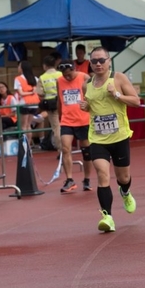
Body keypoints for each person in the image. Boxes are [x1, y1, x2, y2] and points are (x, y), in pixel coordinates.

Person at [79, 47, 140, 232]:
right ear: (90, 63)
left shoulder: (118, 78)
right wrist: (86, 106)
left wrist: (116, 94)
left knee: (124, 177)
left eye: (101, 60)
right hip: (98, 139)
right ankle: (107, 217)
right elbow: (94, 107)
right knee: (102, 174)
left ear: (109, 61)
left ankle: (125, 191)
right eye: (94, 61)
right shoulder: (87, 85)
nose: (98, 64)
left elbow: (136, 101)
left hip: (119, 137)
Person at [57, 60, 93, 193]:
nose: (67, 77)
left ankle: (87, 178)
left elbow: (93, 95)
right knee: (66, 149)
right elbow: (59, 100)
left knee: (87, 152)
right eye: (64, 75)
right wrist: (60, 116)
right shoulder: (59, 80)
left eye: (69, 74)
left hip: (84, 120)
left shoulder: (84, 77)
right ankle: (70, 179)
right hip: (67, 120)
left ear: (74, 69)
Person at [37, 55, 62, 151]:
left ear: (45, 66)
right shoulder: (60, 74)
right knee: (67, 125)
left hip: (51, 104)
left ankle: (61, 150)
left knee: (56, 128)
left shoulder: (42, 77)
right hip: (63, 102)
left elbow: (40, 93)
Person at [14, 60, 40, 145]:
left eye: (19, 66)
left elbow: (21, 93)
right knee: (29, 125)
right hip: (34, 103)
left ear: (22, 68)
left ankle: (24, 145)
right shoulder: (35, 78)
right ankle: (28, 145)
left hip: (24, 103)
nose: (18, 68)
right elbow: (37, 91)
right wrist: (32, 92)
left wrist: (29, 92)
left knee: (24, 126)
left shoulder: (18, 79)